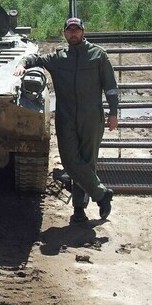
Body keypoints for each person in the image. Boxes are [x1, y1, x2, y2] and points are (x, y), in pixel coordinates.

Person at [13, 17, 119, 223]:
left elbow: (111, 86)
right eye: (69, 30)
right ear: (64, 34)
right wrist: (22, 64)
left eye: (76, 30)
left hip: (91, 117)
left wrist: (113, 112)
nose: (73, 33)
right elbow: (36, 59)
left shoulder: (98, 55)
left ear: (83, 32)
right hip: (66, 118)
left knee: (87, 163)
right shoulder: (58, 58)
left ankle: (79, 209)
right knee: (70, 161)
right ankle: (102, 194)